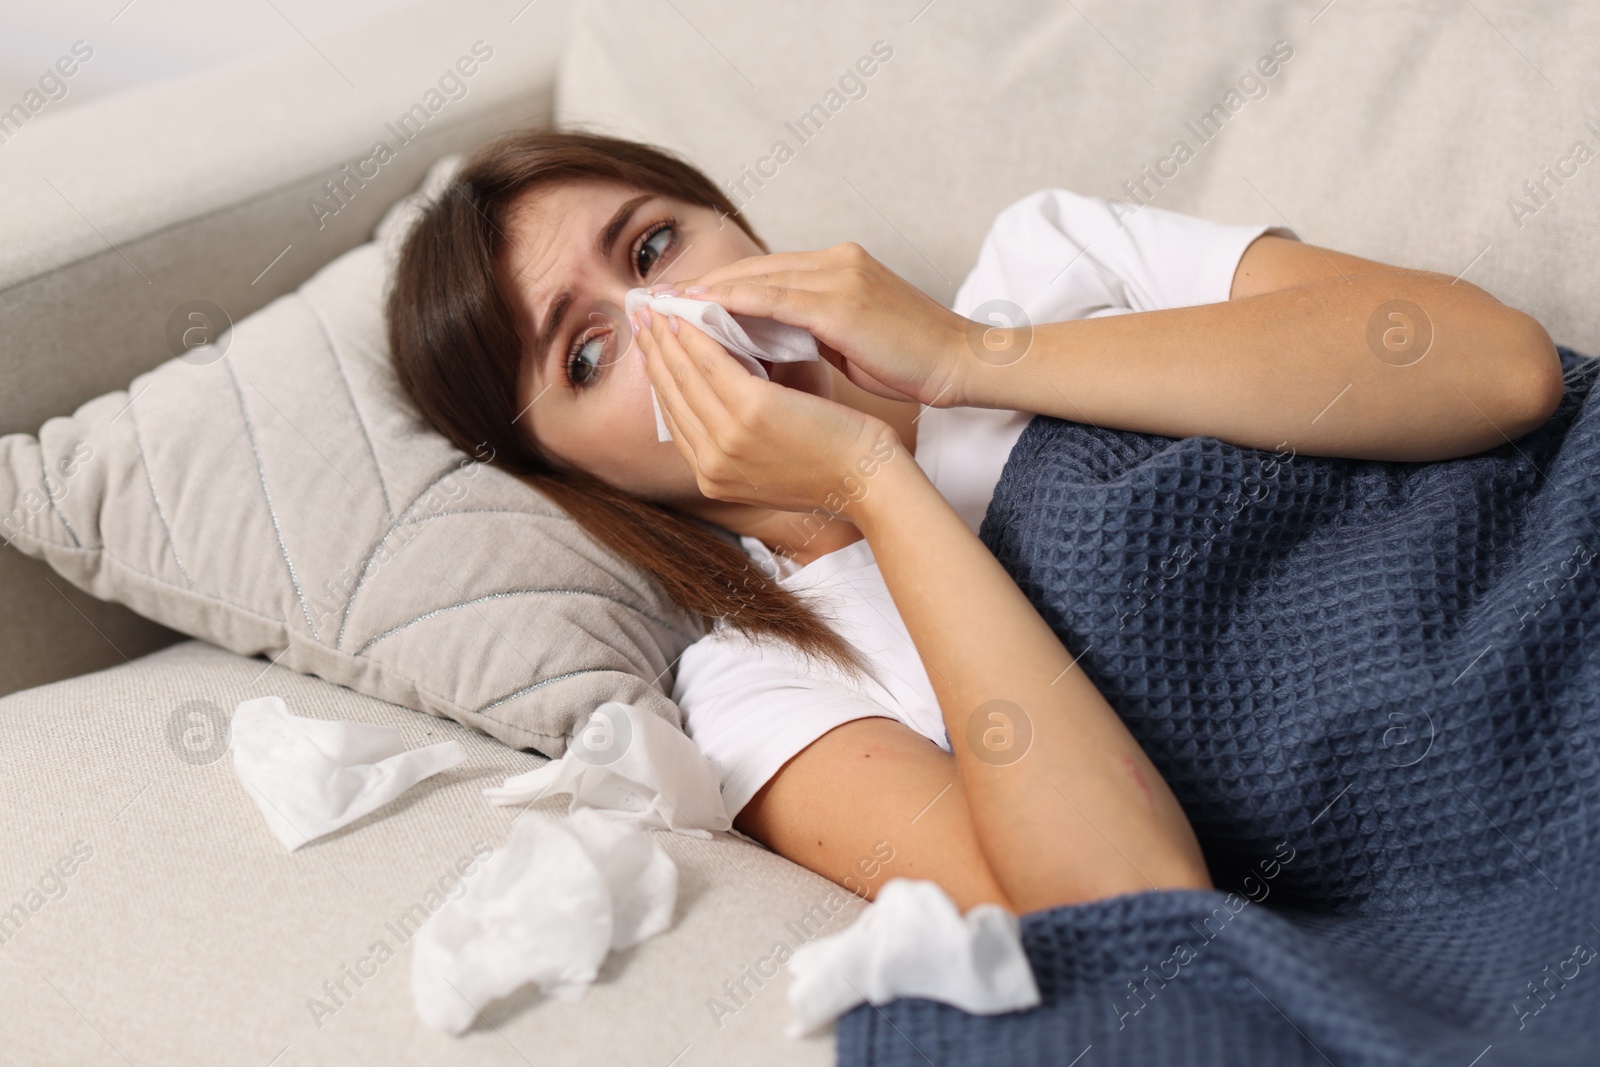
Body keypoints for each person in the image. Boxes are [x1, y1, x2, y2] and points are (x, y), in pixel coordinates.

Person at [386, 127, 1562, 916]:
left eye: (654, 247)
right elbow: (1126, 905)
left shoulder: (1045, 262)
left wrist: (968, 357)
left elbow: (1502, 372)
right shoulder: (762, 688)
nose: (667, 324)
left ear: (737, 226)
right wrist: (866, 483)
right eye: (587, 353)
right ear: (570, 470)